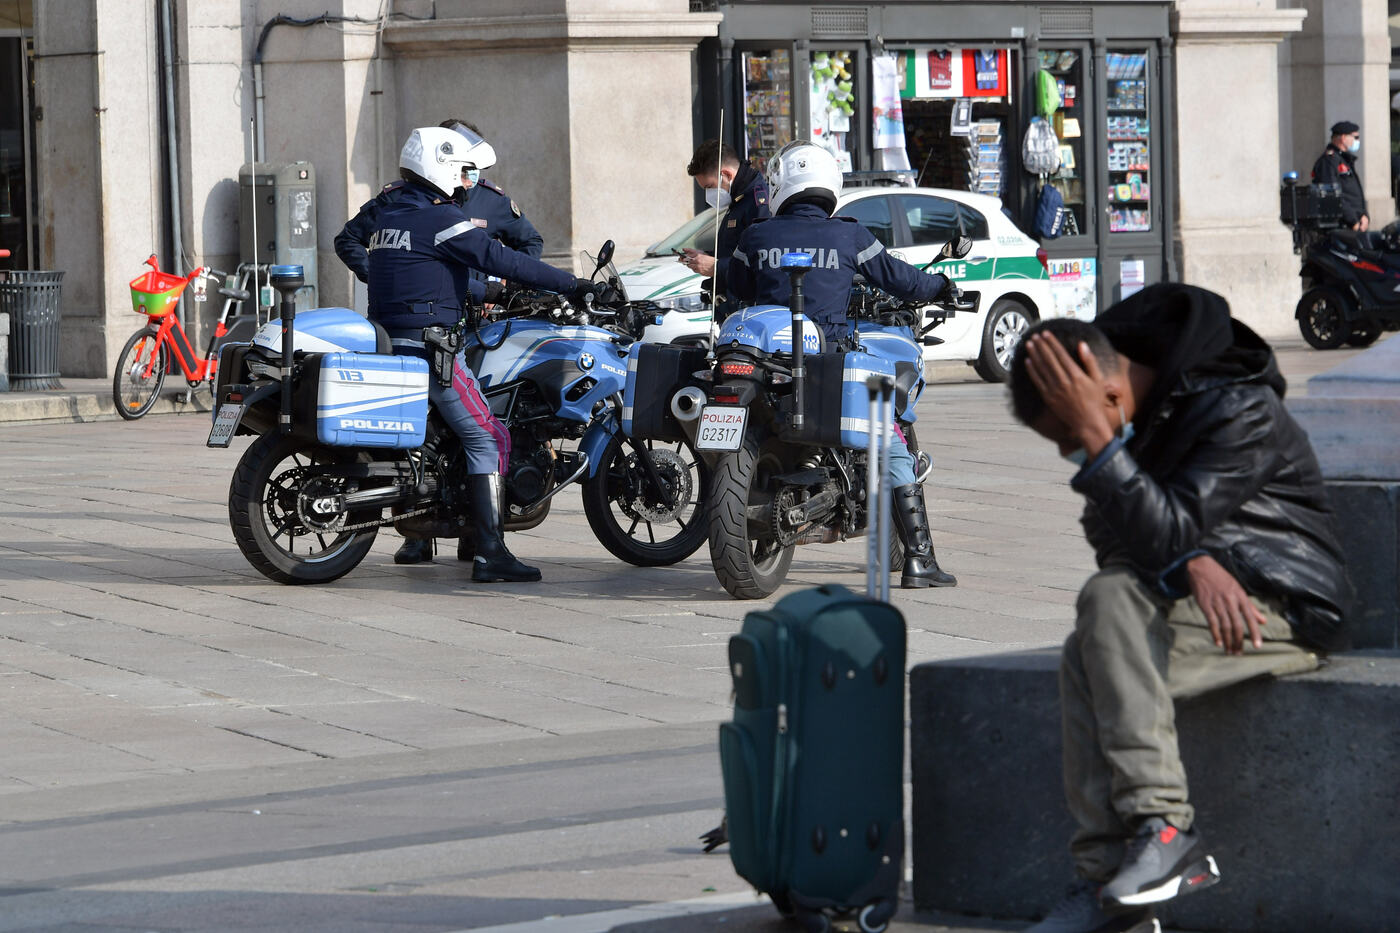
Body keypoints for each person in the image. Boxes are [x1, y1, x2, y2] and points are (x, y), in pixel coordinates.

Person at [1008, 284, 1352, 933]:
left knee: (1104, 603)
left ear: (1110, 394)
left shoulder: (1236, 407)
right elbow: (1114, 537)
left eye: (1073, 436)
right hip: (1198, 600)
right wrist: (1189, 560)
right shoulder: (1143, 415)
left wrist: (1104, 449)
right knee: (1090, 642)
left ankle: (1163, 829)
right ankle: (1114, 885)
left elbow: (1159, 532)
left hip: (1283, 603)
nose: (1073, 453)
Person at [367, 125, 605, 583]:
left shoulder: (390, 218)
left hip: (394, 341)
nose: (463, 182)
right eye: (459, 171)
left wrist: (489, 292)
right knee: (489, 436)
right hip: (431, 347)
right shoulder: (439, 219)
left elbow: (433, 275)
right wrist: (572, 283)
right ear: (438, 167)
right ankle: (489, 552)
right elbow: (504, 258)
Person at [727, 140, 958, 588]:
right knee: (890, 437)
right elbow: (902, 280)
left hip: (765, 364)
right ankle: (919, 559)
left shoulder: (756, 234)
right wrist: (941, 285)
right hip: (829, 361)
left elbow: (735, 286)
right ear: (828, 184)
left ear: (780, 187)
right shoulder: (849, 234)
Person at [338, 120, 544, 565]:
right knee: (472, 431)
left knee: (449, 431)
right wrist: (383, 274)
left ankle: (471, 533)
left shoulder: (490, 198)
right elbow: (351, 241)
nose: (468, 178)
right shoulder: (403, 202)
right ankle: (444, 539)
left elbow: (525, 247)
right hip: (433, 333)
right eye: (463, 167)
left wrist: (500, 291)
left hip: (470, 322)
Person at [679, 139, 770, 316]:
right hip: (733, 308)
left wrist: (717, 266)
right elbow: (736, 249)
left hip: (750, 312)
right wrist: (708, 256)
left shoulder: (758, 201)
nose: (708, 194)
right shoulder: (738, 199)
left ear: (726, 174)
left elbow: (762, 262)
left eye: (710, 187)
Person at [1311, 120, 1368, 232]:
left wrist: (1363, 215)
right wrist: (1352, 220)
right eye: (1355, 137)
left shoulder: (1345, 160)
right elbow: (1332, 194)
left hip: (1354, 223)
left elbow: (1354, 193)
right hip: (1341, 225)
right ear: (1343, 138)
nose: (1358, 141)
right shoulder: (1329, 161)